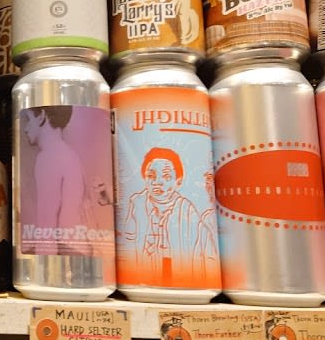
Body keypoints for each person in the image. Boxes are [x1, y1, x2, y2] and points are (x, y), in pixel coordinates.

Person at [20, 106, 111, 281]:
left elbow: (47, 222)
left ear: (42, 117)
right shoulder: (69, 154)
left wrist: (45, 276)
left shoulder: (49, 157)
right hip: (81, 249)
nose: (25, 128)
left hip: (65, 252)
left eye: (29, 120)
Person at [119, 147, 217, 287]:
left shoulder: (188, 212)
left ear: (178, 182)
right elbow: (127, 243)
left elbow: (208, 256)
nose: (157, 182)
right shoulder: (136, 204)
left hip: (182, 280)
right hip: (141, 279)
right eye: (151, 176)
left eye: (166, 177)